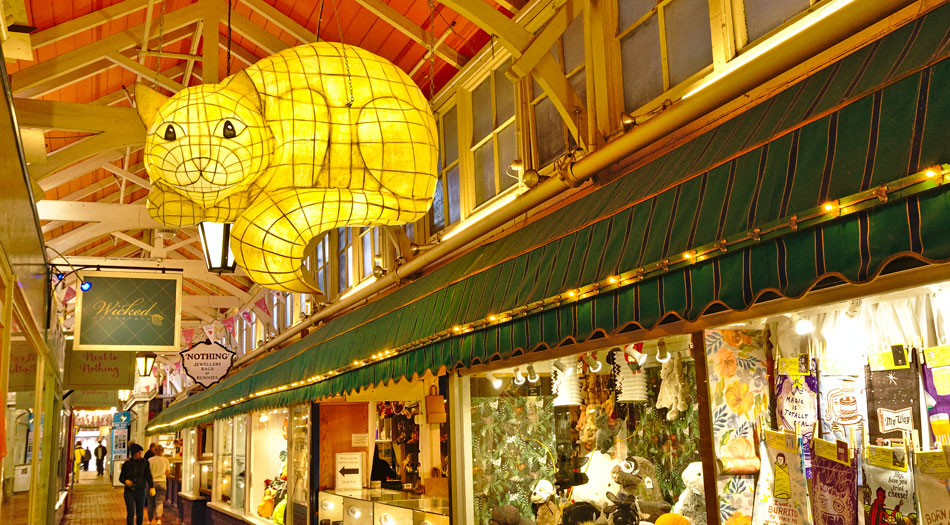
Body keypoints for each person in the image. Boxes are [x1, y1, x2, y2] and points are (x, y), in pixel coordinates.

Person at [120, 443, 155, 525]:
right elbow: (121, 477)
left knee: (140, 512)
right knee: (131, 511)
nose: (140, 454)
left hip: (141, 490)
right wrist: (125, 481)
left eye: (140, 452)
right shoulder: (127, 464)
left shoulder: (144, 463)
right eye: (138, 452)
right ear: (134, 453)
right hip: (129, 491)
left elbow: (148, 476)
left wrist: (151, 486)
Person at [147, 446, 170, 525]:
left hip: (151, 483)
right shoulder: (165, 460)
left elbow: (147, 472)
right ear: (163, 451)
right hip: (162, 482)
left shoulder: (150, 460)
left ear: (154, 451)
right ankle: (159, 519)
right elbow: (167, 472)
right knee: (159, 502)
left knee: (150, 502)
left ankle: (149, 520)